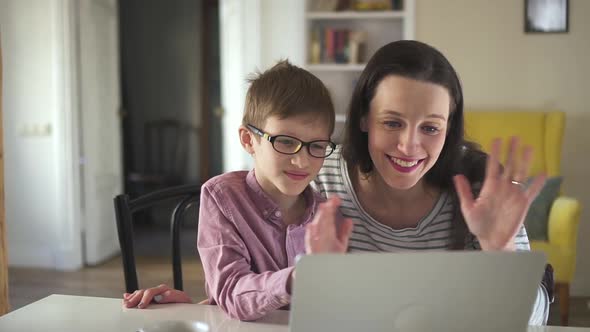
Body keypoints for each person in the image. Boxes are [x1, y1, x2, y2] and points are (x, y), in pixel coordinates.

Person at [311, 40, 551, 325]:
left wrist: (500, 251)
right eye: (392, 123)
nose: (409, 146)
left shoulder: (481, 186)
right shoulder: (321, 176)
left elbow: (535, 320)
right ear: (364, 117)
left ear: (449, 130)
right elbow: (283, 301)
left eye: (430, 128)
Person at [122, 60, 353, 321]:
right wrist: (296, 278)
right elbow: (231, 291)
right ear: (248, 140)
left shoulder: (329, 215)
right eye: (286, 142)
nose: (302, 161)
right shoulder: (222, 197)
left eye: (317, 146)